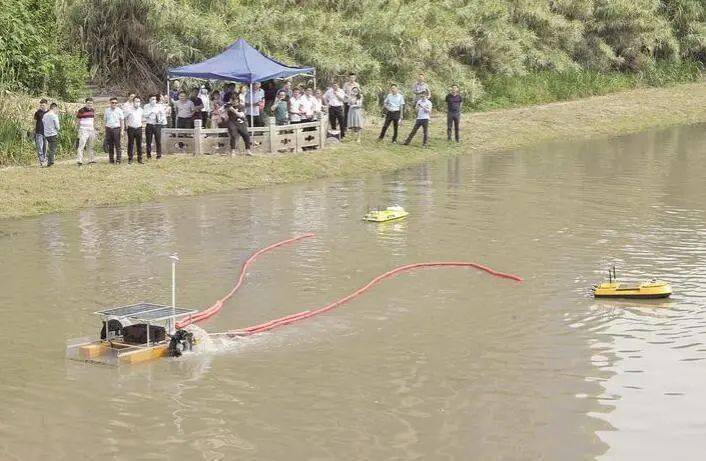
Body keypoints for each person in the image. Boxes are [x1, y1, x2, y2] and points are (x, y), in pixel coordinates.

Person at [144, 94, 167, 159]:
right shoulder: (146, 106)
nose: (153, 100)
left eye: (154, 99)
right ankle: (148, 155)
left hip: (157, 125)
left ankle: (159, 155)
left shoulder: (159, 106)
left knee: (158, 140)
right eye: (152, 99)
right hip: (149, 124)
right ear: (149, 100)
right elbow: (144, 115)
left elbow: (163, 115)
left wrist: (160, 120)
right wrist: (151, 112)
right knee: (148, 141)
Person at [75, 97, 96, 165]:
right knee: (82, 145)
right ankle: (79, 160)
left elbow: (93, 120)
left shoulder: (93, 110)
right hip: (83, 130)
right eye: (88, 103)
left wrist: (94, 129)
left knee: (90, 145)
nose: (90, 104)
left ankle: (91, 160)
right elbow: (77, 121)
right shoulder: (81, 110)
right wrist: (78, 130)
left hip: (91, 130)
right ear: (86, 103)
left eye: (91, 103)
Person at [124, 96, 144, 163]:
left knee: (139, 144)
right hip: (131, 128)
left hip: (139, 128)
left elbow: (142, 119)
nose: (137, 103)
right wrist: (126, 125)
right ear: (133, 102)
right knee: (130, 144)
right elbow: (124, 117)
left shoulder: (141, 110)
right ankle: (130, 158)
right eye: (136, 101)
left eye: (138, 101)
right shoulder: (129, 110)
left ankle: (140, 158)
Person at [104, 97, 125, 163]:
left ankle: (118, 160)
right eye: (112, 102)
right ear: (110, 103)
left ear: (117, 103)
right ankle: (111, 159)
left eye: (115, 103)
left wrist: (122, 130)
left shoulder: (119, 110)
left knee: (117, 145)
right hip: (109, 129)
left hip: (116, 129)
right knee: (110, 145)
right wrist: (105, 130)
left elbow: (122, 121)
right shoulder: (106, 110)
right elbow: (105, 121)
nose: (114, 104)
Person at [42, 103, 60, 167]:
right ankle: (50, 162)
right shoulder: (54, 116)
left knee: (49, 147)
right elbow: (57, 126)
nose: (57, 110)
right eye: (56, 109)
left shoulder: (45, 115)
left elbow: (43, 123)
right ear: (54, 108)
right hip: (53, 133)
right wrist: (58, 130)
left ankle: (49, 160)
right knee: (52, 148)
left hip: (46, 134)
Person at [33, 99, 48, 166]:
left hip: (47, 132)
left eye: (43, 105)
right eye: (41, 105)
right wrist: (33, 129)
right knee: (39, 147)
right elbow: (34, 121)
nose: (42, 106)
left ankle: (44, 159)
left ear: (46, 105)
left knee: (45, 147)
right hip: (39, 132)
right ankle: (41, 160)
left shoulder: (49, 113)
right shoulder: (37, 112)